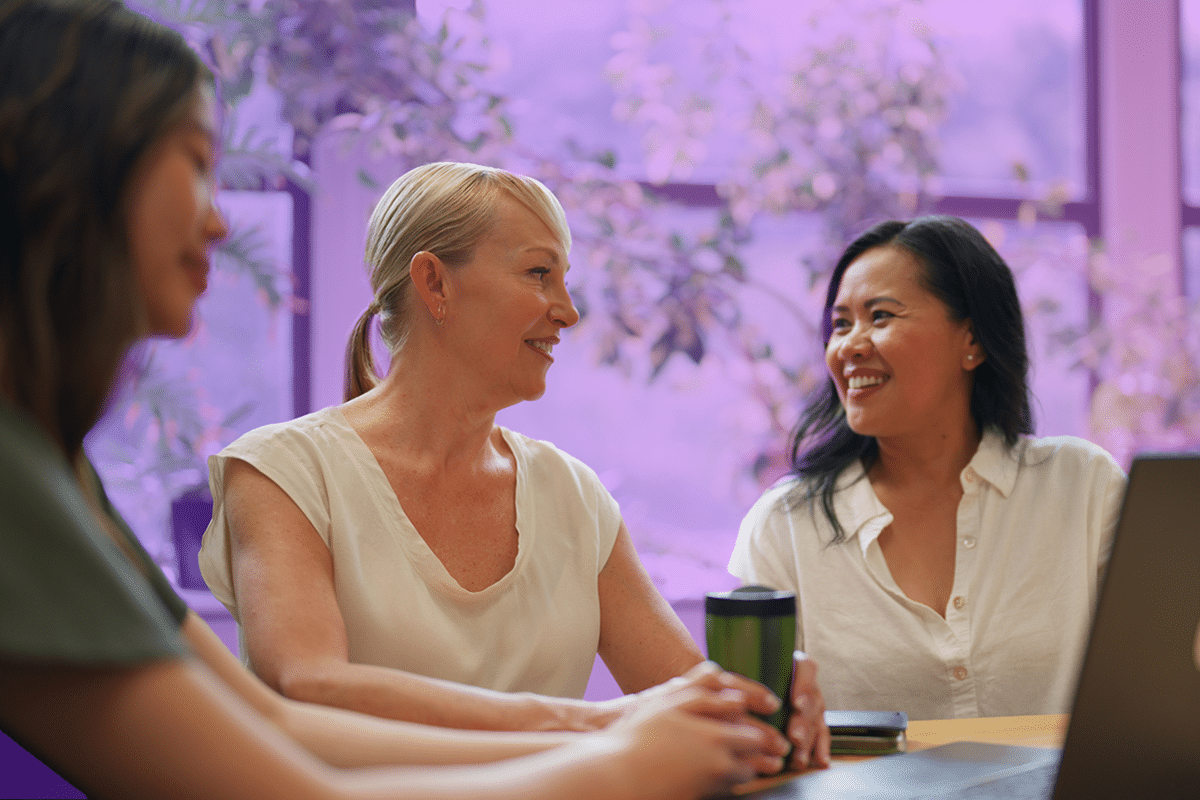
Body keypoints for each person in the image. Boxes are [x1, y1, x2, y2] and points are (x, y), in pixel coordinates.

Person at [0, 1, 795, 797]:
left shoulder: (54, 470)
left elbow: (270, 725)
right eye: (196, 163)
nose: (218, 220)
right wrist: (610, 747)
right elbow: (297, 722)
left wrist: (751, 714)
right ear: (434, 285)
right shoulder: (253, 470)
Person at [197, 161, 830, 768]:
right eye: (538, 273)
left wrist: (762, 707)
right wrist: (596, 723)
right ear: (435, 283)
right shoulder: (283, 473)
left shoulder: (572, 495)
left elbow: (695, 705)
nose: (568, 311)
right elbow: (309, 683)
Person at [728, 216, 1127, 721]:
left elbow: (1159, 679)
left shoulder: (1084, 487)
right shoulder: (783, 527)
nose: (849, 346)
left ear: (972, 340)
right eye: (841, 324)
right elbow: (752, 731)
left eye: (881, 316)